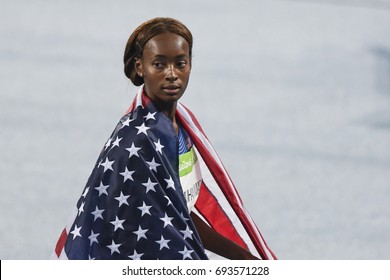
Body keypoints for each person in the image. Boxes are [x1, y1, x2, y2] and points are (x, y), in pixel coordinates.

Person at [52, 17, 276, 260]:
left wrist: (244, 258)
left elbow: (178, 211)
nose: (172, 74)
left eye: (181, 63)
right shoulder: (140, 139)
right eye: (159, 64)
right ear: (140, 67)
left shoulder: (179, 124)